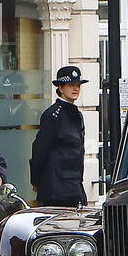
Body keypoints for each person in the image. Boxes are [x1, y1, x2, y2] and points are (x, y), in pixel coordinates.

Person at [30, 65, 87, 206]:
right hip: (56, 189)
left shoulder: (77, 114)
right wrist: (36, 180)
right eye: (71, 85)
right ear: (61, 88)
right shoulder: (52, 115)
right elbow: (40, 149)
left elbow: (78, 152)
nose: (76, 89)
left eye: (78, 85)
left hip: (73, 186)